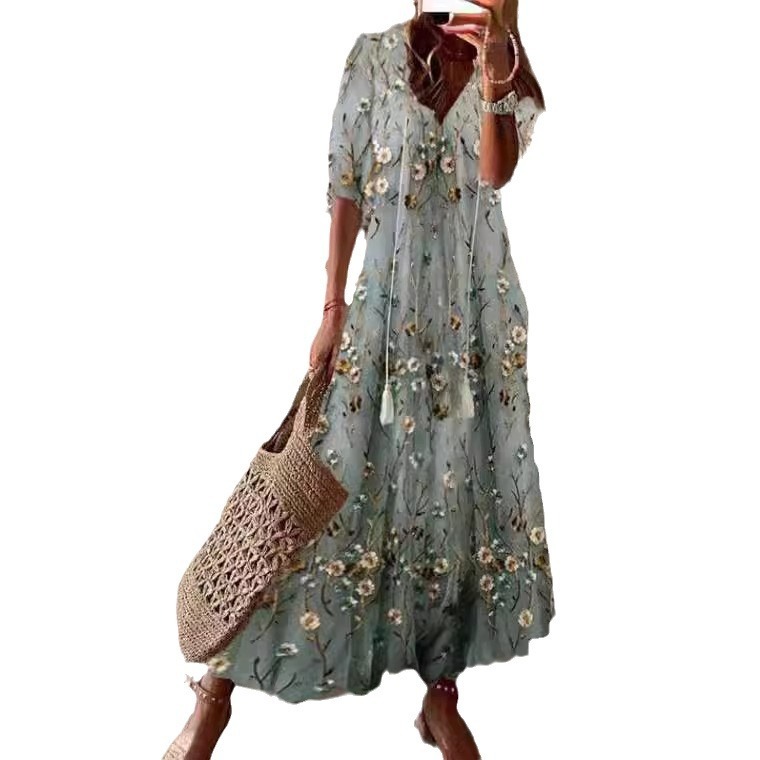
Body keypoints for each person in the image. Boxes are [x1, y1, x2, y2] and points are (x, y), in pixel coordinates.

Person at [163, 1, 554, 758]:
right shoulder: (371, 59)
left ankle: (441, 695)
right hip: (380, 318)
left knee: (451, 497)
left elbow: (494, 172)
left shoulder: (507, 68)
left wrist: (496, 65)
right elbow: (345, 186)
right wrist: (332, 305)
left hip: (468, 326)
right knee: (317, 487)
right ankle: (216, 686)